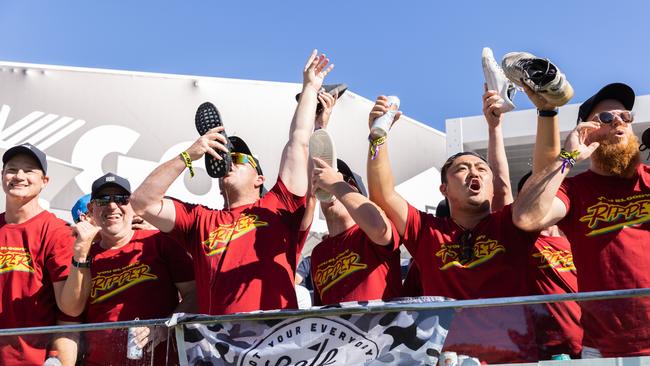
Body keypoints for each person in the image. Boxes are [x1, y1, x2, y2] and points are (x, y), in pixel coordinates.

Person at [131, 50, 334, 314]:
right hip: (220, 348)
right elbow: (141, 202)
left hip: (274, 340)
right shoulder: (199, 221)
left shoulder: (280, 204)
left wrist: (309, 88)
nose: (230, 161)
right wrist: (190, 154)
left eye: (239, 157)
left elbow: (298, 141)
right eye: (226, 155)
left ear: (259, 179)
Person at [513, 82, 650, 357]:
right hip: (601, 349)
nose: (618, 122)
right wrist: (568, 157)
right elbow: (527, 217)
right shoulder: (575, 190)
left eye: (625, 116)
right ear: (586, 133)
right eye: (607, 118)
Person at [483, 84, 582, 358]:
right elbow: (501, 186)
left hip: (587, 349)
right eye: (531, 196)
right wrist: (494, 128)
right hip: (534, 353)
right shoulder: (516, 235)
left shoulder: (574, 236)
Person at [79, 172, 196, 365]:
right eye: (103, 199)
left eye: (121, 199)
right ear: (92, 209)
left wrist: (164, 326)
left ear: (133, 206)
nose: (112, 205)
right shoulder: (82, 256)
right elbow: (71, 312)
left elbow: (195, 294)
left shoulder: (159, 242)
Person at [0, 143, 93, 364]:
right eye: (12, 169)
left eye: (29, 170)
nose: (19, 176)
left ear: (45, 181)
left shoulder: (57, 232)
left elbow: (70, 310)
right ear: (2, 176)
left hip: (33, 359)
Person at [310, 157, 401, 305]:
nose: (328, 189)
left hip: (380, 327)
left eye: (340, 179)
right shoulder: (318, 253)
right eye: (323, 186)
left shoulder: (370, 232)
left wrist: (337, 186)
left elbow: (380, 229)